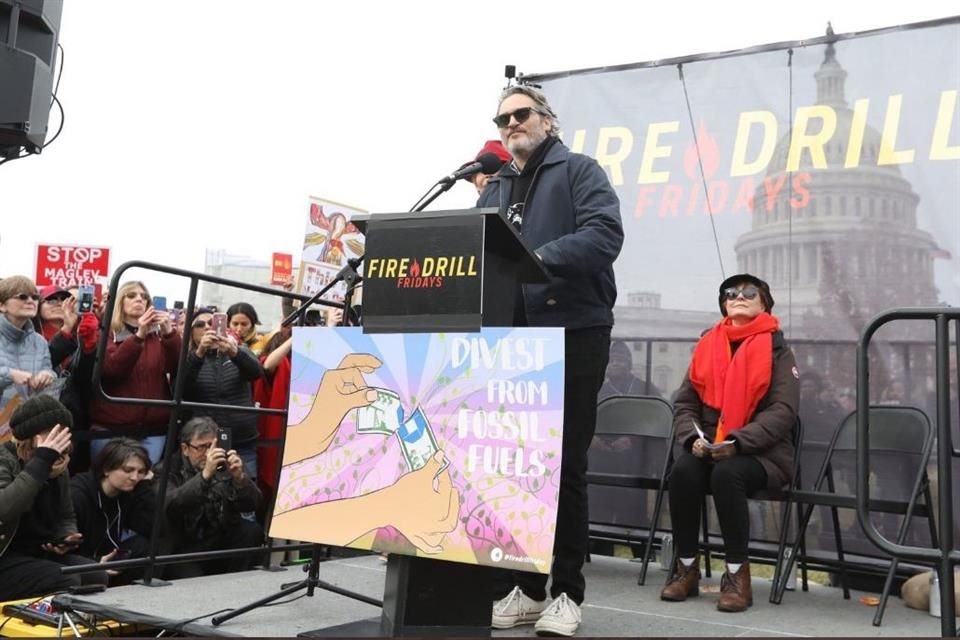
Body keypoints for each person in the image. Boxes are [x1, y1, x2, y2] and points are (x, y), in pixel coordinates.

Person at [478, 84, 623, 637]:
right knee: (517, 468)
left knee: (564, 467)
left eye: (521, 113)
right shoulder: (496, 185)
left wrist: (536, 259)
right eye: (502, 118)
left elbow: (604, 235)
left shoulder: (580, 170)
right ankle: (526, 588)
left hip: (572, 332)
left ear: (547, 121)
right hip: (509, 342)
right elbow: (475, 250)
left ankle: (565, 592)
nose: (510, 123)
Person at [659, 274, 799, 613]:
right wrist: (693, 439)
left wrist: (737, 442)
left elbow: (783, 411)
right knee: (683, 472)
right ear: (723, 303)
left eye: (749, 292)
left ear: (764, 302)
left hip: (762, 455)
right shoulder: (708, 343)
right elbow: (685, 403)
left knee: (727, 474)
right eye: (730, 292)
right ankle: (686, 568)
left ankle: (737, 576)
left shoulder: (778, 350)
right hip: (710, 448)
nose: (739, 296)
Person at [0, 395, 108, 599]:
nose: (58, 440)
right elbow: (4, 509)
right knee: (64, 580)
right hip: (5, 556)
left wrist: (64, 537)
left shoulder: (58, 468)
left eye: (62, 432)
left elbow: (66, 516)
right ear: (29, 437)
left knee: (95, 574)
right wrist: (41, 460)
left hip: (33, 554)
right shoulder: (5, 459)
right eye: (50, 433)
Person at [158, 416, 263, 578]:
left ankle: (238, 583)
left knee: (251, 531)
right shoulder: (166, 469)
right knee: (193, 581)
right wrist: (205, 475)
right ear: (185, 448)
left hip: (218, 536)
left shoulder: (226, 462)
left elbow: (253, 504)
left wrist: (240, 479)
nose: (208, 453)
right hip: (183, 545)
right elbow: (171, 505)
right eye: (201, 447)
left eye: (212, 446)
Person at [88, 281, 181, 463]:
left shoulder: (158, 336)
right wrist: (139, 336)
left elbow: (177, 367)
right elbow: (112, 370)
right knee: (108, 483)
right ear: (119, 302)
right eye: (131, 295)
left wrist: (170, 334)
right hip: (112, 428)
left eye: (144, 296)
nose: (139, 299)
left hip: (153, 430)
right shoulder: (105, 333)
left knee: (144, 484)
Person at [183, 308, 264, 479]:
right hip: (205, 446)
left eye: (212, 323)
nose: (207, 327)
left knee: (244, 495)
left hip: (241, 443)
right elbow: (183, 390)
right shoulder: (189, 358)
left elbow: (256, 373)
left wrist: (234, 353)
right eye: (200, 324)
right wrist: (199, 354)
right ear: (191, 332)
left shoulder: (239, 350)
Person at [70, 438, 156, 583]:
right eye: (128, 470)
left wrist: (144, 486)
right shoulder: (78, 494)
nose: (135, 477)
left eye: (141, 471)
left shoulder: (128, 492)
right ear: (106, 469)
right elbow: (66, 547)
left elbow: (153, 528)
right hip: (80, 560)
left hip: (109, 556)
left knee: (146, 546)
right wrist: (96, 561)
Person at [0, 276, 58, 413]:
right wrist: (10, 375)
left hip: (25, 421)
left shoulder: (39, 341)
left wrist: (47, 375)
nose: (30, 301)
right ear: (2, 305)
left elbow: (48, 369)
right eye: (22, 296)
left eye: (35, 297)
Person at [598, 340, 663, 401]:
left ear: (629, 364)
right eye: (611, 361)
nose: (615, 363)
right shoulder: (600, 391)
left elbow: (659, 409)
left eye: (620, 360)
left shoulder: (646, 388)